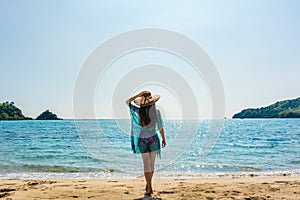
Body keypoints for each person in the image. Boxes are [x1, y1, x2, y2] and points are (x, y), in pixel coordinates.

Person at [126, 90, 166, 196]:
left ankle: (149, 186)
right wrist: (163, 139)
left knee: (146, 164)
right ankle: (149, 186)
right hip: (154, 139)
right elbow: (160, 127)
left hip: (142, 139)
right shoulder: (156, 112)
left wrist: (138, 95)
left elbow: (128, 102)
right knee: (151, 164)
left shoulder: (139, 112)